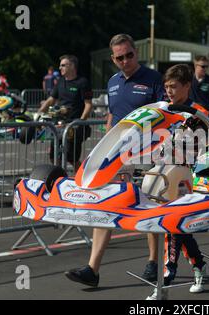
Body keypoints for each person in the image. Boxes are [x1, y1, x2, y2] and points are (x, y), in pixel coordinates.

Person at [65, 34, 165, 288]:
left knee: (149, 205)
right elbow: (112, 115)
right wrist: (105, 146)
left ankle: (154, 261)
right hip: (118, 156)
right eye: (119, 57)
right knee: (105, 206)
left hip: (148, 154)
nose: (125, 60)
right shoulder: (112, 82)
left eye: (129, 55)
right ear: (113, 59)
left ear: (136, 53)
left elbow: (165, 113)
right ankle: (92, 269)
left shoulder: (154, 79)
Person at [146, 64, 209, 300]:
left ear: (187, 86)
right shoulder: (164, 110)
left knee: (172, 228)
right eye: (166, 87)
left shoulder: (198, 113)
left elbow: (200, 146)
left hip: (189, 177)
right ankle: (200, 267)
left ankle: (164, 283)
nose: (169, 91)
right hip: (165, 175)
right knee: (178, 228)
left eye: (174, 86)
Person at [38, 54, 93, 171]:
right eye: (60, 65)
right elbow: (51, 99)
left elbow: (88, 104)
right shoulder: (60, 82)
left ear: (72, 66)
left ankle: (84, 179)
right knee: (53, 156)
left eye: (63, 65)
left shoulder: (82, 82)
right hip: (58, 125)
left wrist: (80, 122)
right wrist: (39, 112)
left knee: (71, 158)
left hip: (74, 126)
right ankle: (60, 178)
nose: (60, 68)